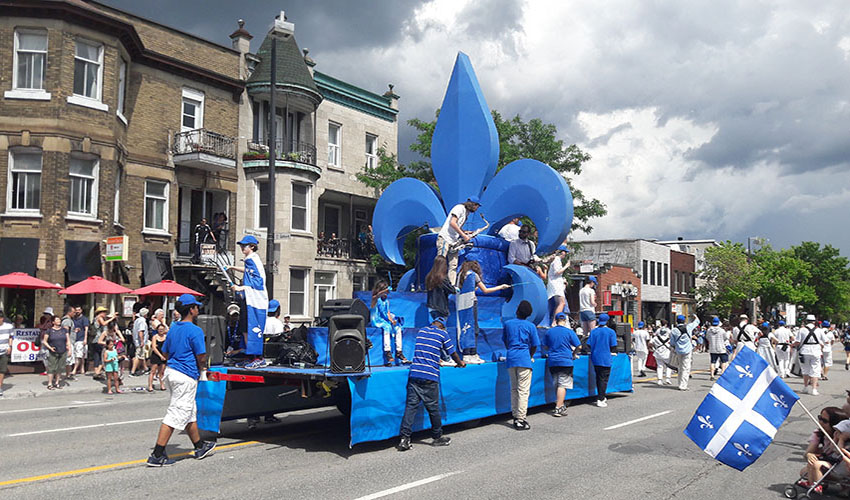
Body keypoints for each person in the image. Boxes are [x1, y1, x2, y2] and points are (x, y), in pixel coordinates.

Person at [146, 294, 215, 467]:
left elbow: (166, 352)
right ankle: (157, 454)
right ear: (191, 310)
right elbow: (201, 356)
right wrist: (203, 368)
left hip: (172, 372)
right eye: (196, 307)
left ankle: (199, 446)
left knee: (189, 411)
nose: (198, 309)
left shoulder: (173, 328)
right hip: (185, 375)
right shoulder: (195, 330)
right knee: (177, 412)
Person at [396, 316, 466, 451]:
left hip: (415, 374)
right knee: (433, 409)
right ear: (443, 327)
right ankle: (437, 437)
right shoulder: (442, 334)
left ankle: (404, 439)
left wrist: (436, 359)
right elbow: (452, 353)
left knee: (411, 408)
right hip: (429, 376)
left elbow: (427, 350)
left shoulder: (422, 331)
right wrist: (460, 363)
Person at [456, 260, 509, 364]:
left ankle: (468, 353)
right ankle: (471, 354)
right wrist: (501, 287)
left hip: (462, 304)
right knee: (474, 328)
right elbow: (485, 290)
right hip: (471, 303)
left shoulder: (461, 275)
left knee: (466, 328)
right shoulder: (473, 275)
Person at [228, 235, 267, 369]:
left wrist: (241, 288)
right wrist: (232, 267)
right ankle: (249, 356)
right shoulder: (252, 260)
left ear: (252, 246)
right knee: (244, 328)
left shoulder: (252, 259)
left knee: (252, 328)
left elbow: (258, 281)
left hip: (255, 301)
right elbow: (249, 272)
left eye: (244, 245)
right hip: (250, 299)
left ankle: (258, 358)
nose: (241, 247)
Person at [503, 300, 540, 430]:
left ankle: (515, 415)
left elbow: (505, 340)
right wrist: (530, 355)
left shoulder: (508, 324)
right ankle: (521, 419)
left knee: (514, 388)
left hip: (511, 357)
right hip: (524, 358)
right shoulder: (531, 326)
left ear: (517, 311)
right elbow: (535, 344)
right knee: (523, 390)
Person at [797, 406, 849, 493]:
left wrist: (841, 439)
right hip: (831, 462)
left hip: (840, 467)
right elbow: (830, 449)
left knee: (817, 464)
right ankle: (813, 483)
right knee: (805, 471)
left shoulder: (845, 442)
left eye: (824, 421)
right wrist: (810, 455)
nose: (820, 422)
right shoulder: (820, 433)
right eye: (820, 418)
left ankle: (818, 485)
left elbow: (839, 451)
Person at [542, 312, 581, 417]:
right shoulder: (569, 332)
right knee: (562, 385)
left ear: (556, 320)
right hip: (566, 360)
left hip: (553, 360)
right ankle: (558, 407)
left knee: (556, 383)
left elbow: (544, 346)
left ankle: (561, 404)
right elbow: (579, 346)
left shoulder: (549, 332)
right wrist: (574, 354)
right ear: (565, 320)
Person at [436, 196, 481, 285]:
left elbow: (457, 226)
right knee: (441, 261)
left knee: (453, 264)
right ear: (473, 204)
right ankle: (437, 284)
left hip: (454, 241)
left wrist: (465, 232)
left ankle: (451, 285)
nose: (477, 208)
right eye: (477, 206)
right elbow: (452, 223)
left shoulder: (466, 213)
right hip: (446, 238)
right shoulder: (459, 208)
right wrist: (464, 235)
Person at [370, 280, 408, 366]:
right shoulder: (375, 300)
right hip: (377, 321)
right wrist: (384, 291)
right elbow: (377, 296)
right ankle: (387, 351)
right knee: (387, 327)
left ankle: (399, 351)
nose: (386, 294)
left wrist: (392, 321)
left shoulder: (386, 301)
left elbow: (387, 312)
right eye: (384, 291)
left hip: (385, 320)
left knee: (398, 328)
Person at [588, 313, 618, 406]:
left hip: (595, 357)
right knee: (604, 379)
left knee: (598, 378)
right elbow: (613, 345)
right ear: (607, 321)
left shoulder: (593, 331)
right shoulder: (611, 332)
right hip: (606, 358)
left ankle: (601, 396)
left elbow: (588, 344)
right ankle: (601, 398)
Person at [795, 314, 825, 395]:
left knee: (805, 369)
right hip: (816, 351)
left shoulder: (801, 330)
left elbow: (797, 342)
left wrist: (793, 345)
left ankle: (805, 387)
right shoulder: (819, 330)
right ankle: (814, 389)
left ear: (806, 321)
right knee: (815, 370)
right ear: (814, 321)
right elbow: (825, 341)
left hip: (804, 351)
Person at [669, 314, 698, 391]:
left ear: (677, 321)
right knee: (686, 368)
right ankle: (683, 385)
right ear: (684, 321)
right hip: (687, 350)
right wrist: (695, 316)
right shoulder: (689, 327)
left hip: (678, 350)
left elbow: (672, 342)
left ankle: (679, 384)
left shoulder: (674, 330)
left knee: (680, 368)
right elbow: (697, 322)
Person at [43, 315, 72, 390]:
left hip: (63, 350)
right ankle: (50, 383)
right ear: (53, 322)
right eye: (57, 320)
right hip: (53, 351)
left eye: (59, 320)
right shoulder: (49, 330)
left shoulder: (64, 330)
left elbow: (68, 340)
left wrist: (69, 349)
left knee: (60, 367)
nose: (59, 321)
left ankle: (57, 382)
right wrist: (50, 348)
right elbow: (44, 341)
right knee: (52, 367)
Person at [544, 245, 570, 327]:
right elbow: (557, 272)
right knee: (562, 303)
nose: (565, 254)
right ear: (561, 252)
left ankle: (554, 321)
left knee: (559, 303)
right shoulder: (557, 260)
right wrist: (566, 266)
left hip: (556, 284)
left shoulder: (556, 260)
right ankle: (555, 322)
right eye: (565, 252)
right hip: (555, 285)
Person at [425, 256, 455, 321]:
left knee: (433, 325)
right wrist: (456, 289)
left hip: (431, 306)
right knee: (441, 325)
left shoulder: (429, 276)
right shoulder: (443, 278)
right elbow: (451, 290)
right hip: (441, 307)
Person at [91, 307, 116, 380]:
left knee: (97, 356)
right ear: (100, 312)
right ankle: (98, 372)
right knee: (103, 356)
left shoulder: (95, 318)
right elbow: (104, 323)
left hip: (94, 339)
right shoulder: (99, 318)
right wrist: (112, 318)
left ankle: (97, 372)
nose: (105, 314)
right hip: (99, 339)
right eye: (104, 312)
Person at [147, 324, 167, 392]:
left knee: (162, 372)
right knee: (153, 371)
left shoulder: (166, 337)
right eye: (159, 329)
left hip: (164, 355)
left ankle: (162, 384)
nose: (161, 330)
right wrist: (160, 356)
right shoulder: (155, 337)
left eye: (162, 329)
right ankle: (150, 386)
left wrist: (165, 356)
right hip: (156, 355)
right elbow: (154, 347)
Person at [131, 307, 150, 377]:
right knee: (138, 355)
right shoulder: (142, 321)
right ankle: (133, 371)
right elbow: (141, 331)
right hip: (140, 342)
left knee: (142, 355)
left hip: (136, 341)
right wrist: (142, 341)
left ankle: (146, 368)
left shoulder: (137, 320)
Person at [72, 306, 90, 376]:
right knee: (81, 354)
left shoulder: (84, 319)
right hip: (75, 338)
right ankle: (82, 368)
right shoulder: (74, 319)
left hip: (81, 339)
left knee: (79, 355)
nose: (77, 311)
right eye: (76, 310)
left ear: (81, 310)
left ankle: (75, 369)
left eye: (79, 310)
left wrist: (85, 338)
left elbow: (86, 329)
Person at [60, 305, 77, 381]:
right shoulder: (67, 321)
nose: (74, 314)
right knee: (68, 360)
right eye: (73, 312)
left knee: (69, 360)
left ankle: (68, 374)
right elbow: (66, 332)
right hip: (68, 342)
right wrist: (68, 344)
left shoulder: (69, 320)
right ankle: (68, 375)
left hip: (70, 342)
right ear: (69, 312)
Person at [0, 310, 12, 397]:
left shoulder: (9, 326)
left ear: (2, 318)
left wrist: (10, 346)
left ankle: (0, 387)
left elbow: (11, 336)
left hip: (4, 350)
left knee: (2, 370)